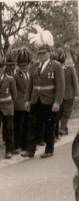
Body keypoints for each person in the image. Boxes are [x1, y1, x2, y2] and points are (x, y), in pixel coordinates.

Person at [22, 26, 65, 159]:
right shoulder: (34, 66)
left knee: (50, 126)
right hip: (36, 99)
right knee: (33, 125)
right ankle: (30, 150)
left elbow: (60, 86)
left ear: (48, 53)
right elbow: (30, 85)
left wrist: (57, 102)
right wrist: (27, 100)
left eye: (42, 54)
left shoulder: (56, 66)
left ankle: (49, 149)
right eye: (38, 54)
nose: (40, 56)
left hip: (49, 100)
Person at [54, 48, 79, 136]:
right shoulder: (55, 71)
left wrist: (76, 95)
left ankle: (62, 129)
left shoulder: (70, 69)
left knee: (66, 113)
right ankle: (65, 128)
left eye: (61, 63)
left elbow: (75, 82)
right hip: (59, 96)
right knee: (60, 114)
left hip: (69, 95)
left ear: (63, 62)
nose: (60, 64)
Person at [13, 48, 33, 153]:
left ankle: (25, 145)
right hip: (19, 104)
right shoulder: (15, 76)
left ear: (29, 65)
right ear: (19, 67)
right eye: (22, 66)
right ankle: (17, 146)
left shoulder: (32, 75)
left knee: (27, 125)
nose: (24, 68)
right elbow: (15, 91)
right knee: (19, 126)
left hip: (29, 103)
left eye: (26, 65)